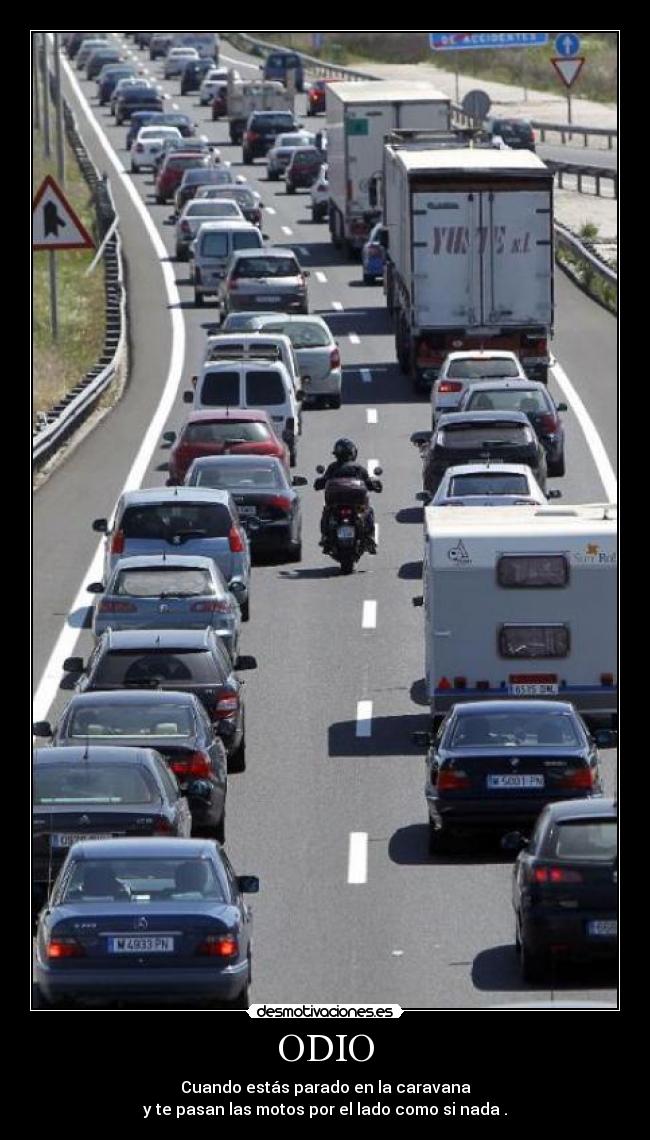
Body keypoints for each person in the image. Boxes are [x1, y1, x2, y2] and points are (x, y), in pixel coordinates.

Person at [314, 438, 377, 554]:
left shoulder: (333, 467)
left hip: (344, 507)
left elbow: (321, 482)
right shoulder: (357, 468)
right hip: (345, 507)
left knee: (327, 512)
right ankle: (370, 538)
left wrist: (318, 483)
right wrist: (375, 485)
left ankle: (325, 538)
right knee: (368, 511)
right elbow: (370, 483)